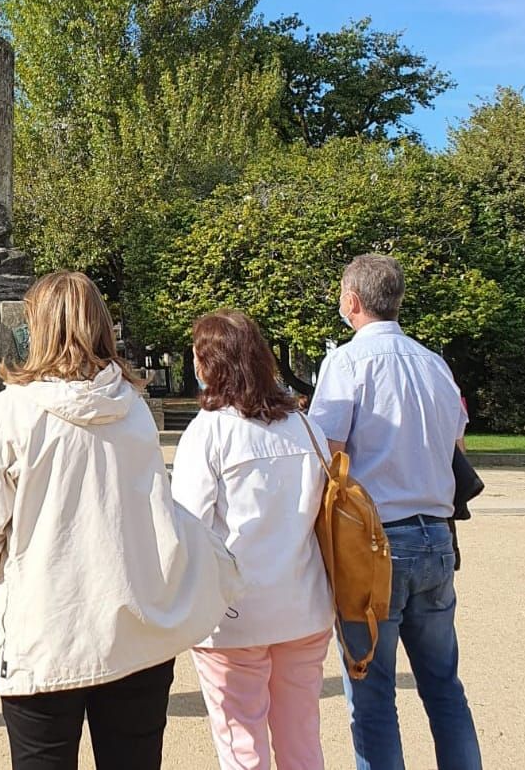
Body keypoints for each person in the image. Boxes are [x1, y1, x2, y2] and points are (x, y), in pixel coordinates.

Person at [0, 271, 240, 770]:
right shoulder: (134, 409)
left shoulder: (11, 413)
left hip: (47, 627)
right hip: (135, 626)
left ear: (37, 327)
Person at [308, 254, 481, 770]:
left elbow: (329, 457)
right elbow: (458, 446)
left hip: (375, 540)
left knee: (373, 695)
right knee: (444, 687)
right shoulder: (434, 364)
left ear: (352, 301)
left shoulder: (345, 363)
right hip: (435, 534)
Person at [171, 309, 334, 770]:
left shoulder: (209, 432)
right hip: (303, 605)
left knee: (242, 745)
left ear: (209, 364)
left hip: (235, 614)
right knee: (302, 742)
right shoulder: (305, 426)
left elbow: (189, 524)